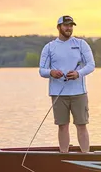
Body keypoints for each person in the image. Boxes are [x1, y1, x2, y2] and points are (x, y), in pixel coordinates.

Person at [39, 15, 96, 153]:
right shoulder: (49, 47)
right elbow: (42, 70)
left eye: (71, 25)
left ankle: (86, 155)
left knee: (81, 125)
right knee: (62, 126)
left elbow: (91, 65)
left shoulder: (81, 44)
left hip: (79, 93)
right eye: (66, 25)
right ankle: (63, 154)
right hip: (58, 94)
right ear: (59, 27)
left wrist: (78, 73)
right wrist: (51, 72)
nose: (69, 28)